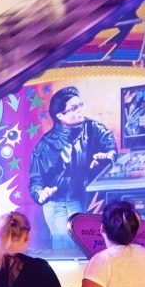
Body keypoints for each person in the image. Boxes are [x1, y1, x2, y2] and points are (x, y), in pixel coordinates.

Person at [28, 86, 118, 248]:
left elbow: (109, 142)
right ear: (60, 115)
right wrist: (40, 194)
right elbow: (35, 181)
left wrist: (108, 156)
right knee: (64, 247)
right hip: (56, 204)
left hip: (80, 199)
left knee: (84, 245)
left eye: (81, 105)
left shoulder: (92, 128)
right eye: (74, 108)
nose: (80, 110)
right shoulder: (45, 145)